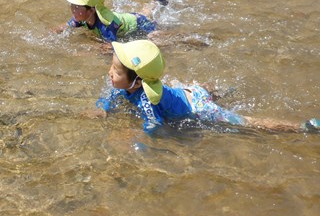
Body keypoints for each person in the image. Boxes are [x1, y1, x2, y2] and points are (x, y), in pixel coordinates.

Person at [90, 39, 318, 134]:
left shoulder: (147, 99)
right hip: (191, 91)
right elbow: (109, 95)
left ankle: (300, 127)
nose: (110, 73)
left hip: (199, 108)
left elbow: (154, 123)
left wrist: (135, 133)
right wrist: (102, 108)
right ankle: (224, 92)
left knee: (244, 123)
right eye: (112, 67)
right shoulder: (124, 84)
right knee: (197, 89)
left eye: (116, 71)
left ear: (137, 81)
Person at [53, 0, 168, 47]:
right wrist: (51, 34)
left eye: (77, 7)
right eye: (72, 5)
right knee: (140, 14)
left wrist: (89, 49)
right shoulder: (81, 17)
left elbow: (112, 47)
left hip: (140, 24)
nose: (73, 10)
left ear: (92, 10)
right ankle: (156, 2)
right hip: (130, 18)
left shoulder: (106, 27)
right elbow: (64, 26)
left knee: (154, 38)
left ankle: (182, 37)